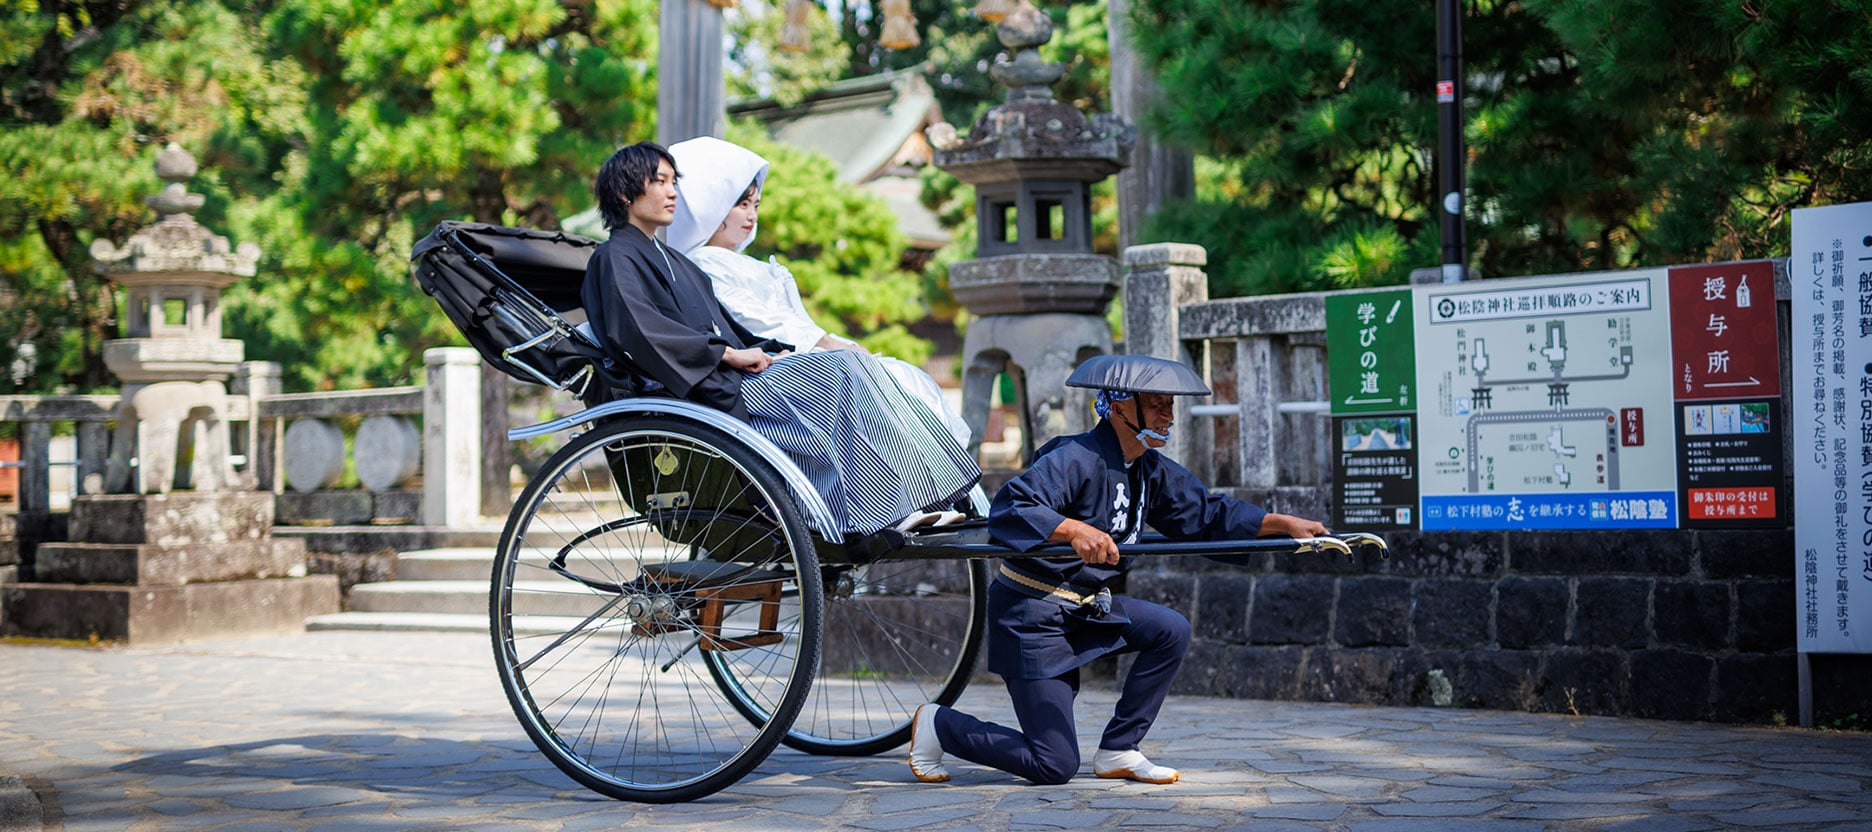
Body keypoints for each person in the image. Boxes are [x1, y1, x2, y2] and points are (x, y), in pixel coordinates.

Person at [906, 354, 1330, 786]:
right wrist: (1072, 531)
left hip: (1088, 608)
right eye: (1157, 402)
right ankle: (941, 726)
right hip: (1032, 617)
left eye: (1170, 403)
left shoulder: (1148, 469)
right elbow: (1012, 507)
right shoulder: (1073, 455)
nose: (1168, 414)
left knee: (1170, 629)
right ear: (1122, 405)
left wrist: (1282, 524)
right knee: (1053, 764)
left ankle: (1119, 748)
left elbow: (1207, 513)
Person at [580, 141, 980, 537]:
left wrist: (767, 352)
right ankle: (871, 513)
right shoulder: (615, 257)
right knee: (842, 368)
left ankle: (918, 498)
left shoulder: (678, 263)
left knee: (856, 367)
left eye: (674, 182)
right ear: (623, 192)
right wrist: (727, 356)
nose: (672, 193)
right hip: (693, 389)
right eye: (660, 182)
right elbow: (639, 331)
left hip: (724, 374)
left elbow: (727, 329)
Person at [665, 136, 973, 448]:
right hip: (769, 364)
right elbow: (758, 320)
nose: (751, 216)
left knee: (901, 377)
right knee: (877, 378)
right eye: (741, 204)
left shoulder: (737, 263)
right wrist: (827, 343)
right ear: (711, 204)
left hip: (793, 352)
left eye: (755, 205)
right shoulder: (705, 264)